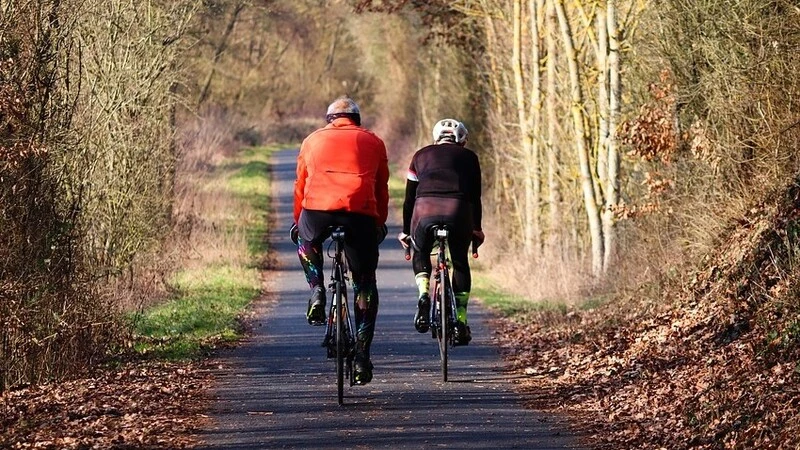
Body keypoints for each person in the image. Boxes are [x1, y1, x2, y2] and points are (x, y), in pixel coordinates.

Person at [290, 96, 389, 385]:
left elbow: (300, 183)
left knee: (306, 241)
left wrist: (300, 222)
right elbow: (381, 187)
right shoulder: (374, 142)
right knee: (364, 283)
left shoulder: (312, 140)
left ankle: (317, 289)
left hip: (317, 211)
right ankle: (361, 355)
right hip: (359, 215)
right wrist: (379, 222)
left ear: (329, 119)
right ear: (356, 119)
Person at [398, 118, 484, 346]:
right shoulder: (470, 157)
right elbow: (475, 198)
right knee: (459, 262)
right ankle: (462, 320)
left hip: (425, 210)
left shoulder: (420, 155)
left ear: (436, 137)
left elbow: (409, 200)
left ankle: (424, 293)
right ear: (462, 140)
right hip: (458, 211)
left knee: (421, 251)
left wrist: (406, 232)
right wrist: (477, 229)